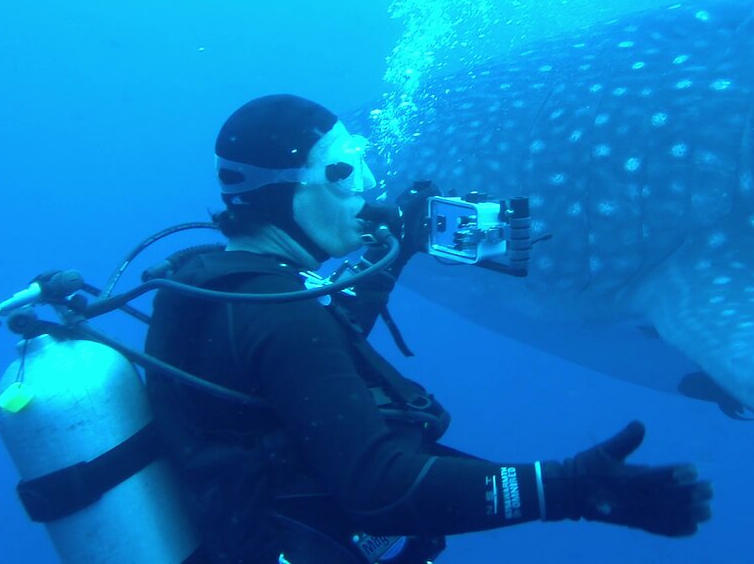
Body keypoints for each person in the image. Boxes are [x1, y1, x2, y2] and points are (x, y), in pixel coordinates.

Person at [144, 94, 713, 563]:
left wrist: (399, 249)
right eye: (341, 172)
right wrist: (570, 489)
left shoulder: (212, 281)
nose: (365, 184)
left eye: (361, 161)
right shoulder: (281, 310)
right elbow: (380, 490)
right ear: (284, 191)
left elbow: (308, 359)